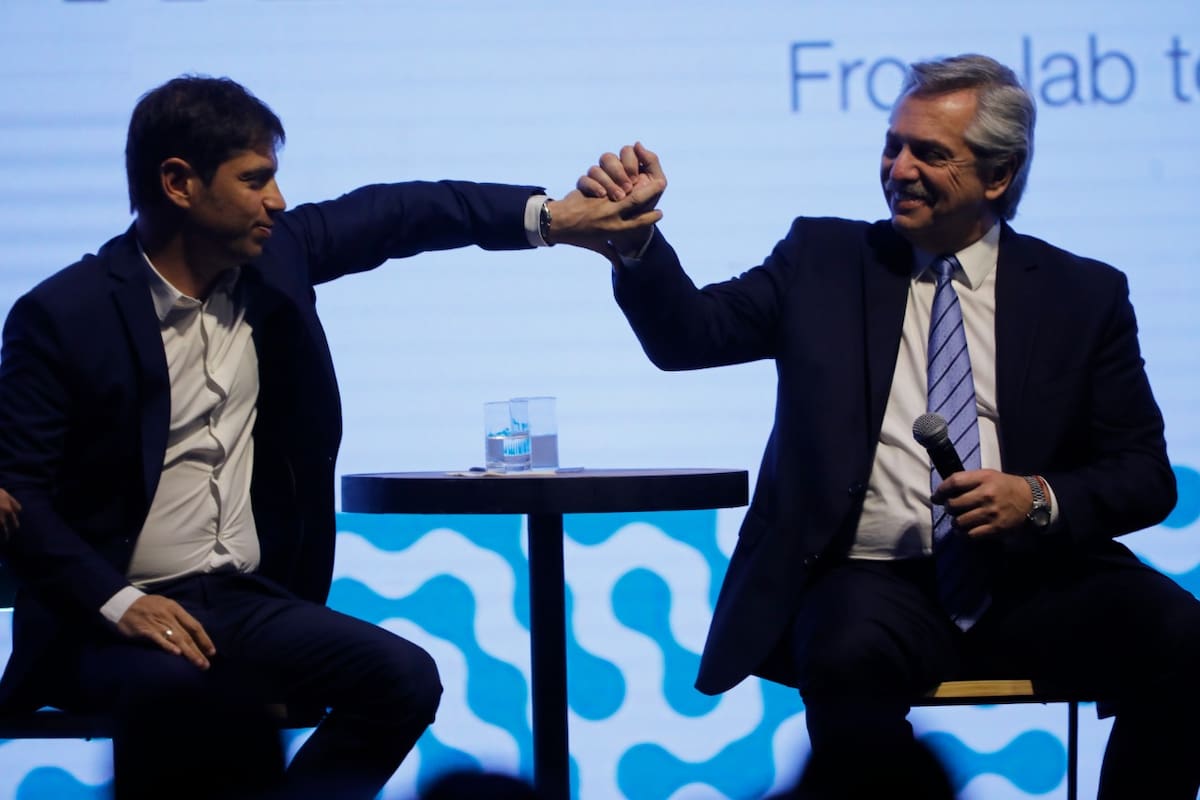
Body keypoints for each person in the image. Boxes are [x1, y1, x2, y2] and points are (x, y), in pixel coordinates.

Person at [0, 75, 655, 799]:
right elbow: (17, 494)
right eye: (256, 181)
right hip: (103, 619)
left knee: (403, 679)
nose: (276, 202)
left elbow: (406, 212)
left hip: (240, 600)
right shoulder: (63, 314)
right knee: (190, 703)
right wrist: (124, 604)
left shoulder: (275, 260)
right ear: (179, 183)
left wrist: (551, 217)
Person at [577, 54, 1200, 798]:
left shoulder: (1084, 293)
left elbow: (1143, 476)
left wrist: (1034, 498)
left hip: (1035, 580)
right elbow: (689, 337)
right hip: (871, 580)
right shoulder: (824, 259)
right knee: (842, 659)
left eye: (929, 153)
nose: (898, 168)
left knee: (1186, 642)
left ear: (998, 176)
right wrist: (637, 242)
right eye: (891, 145)